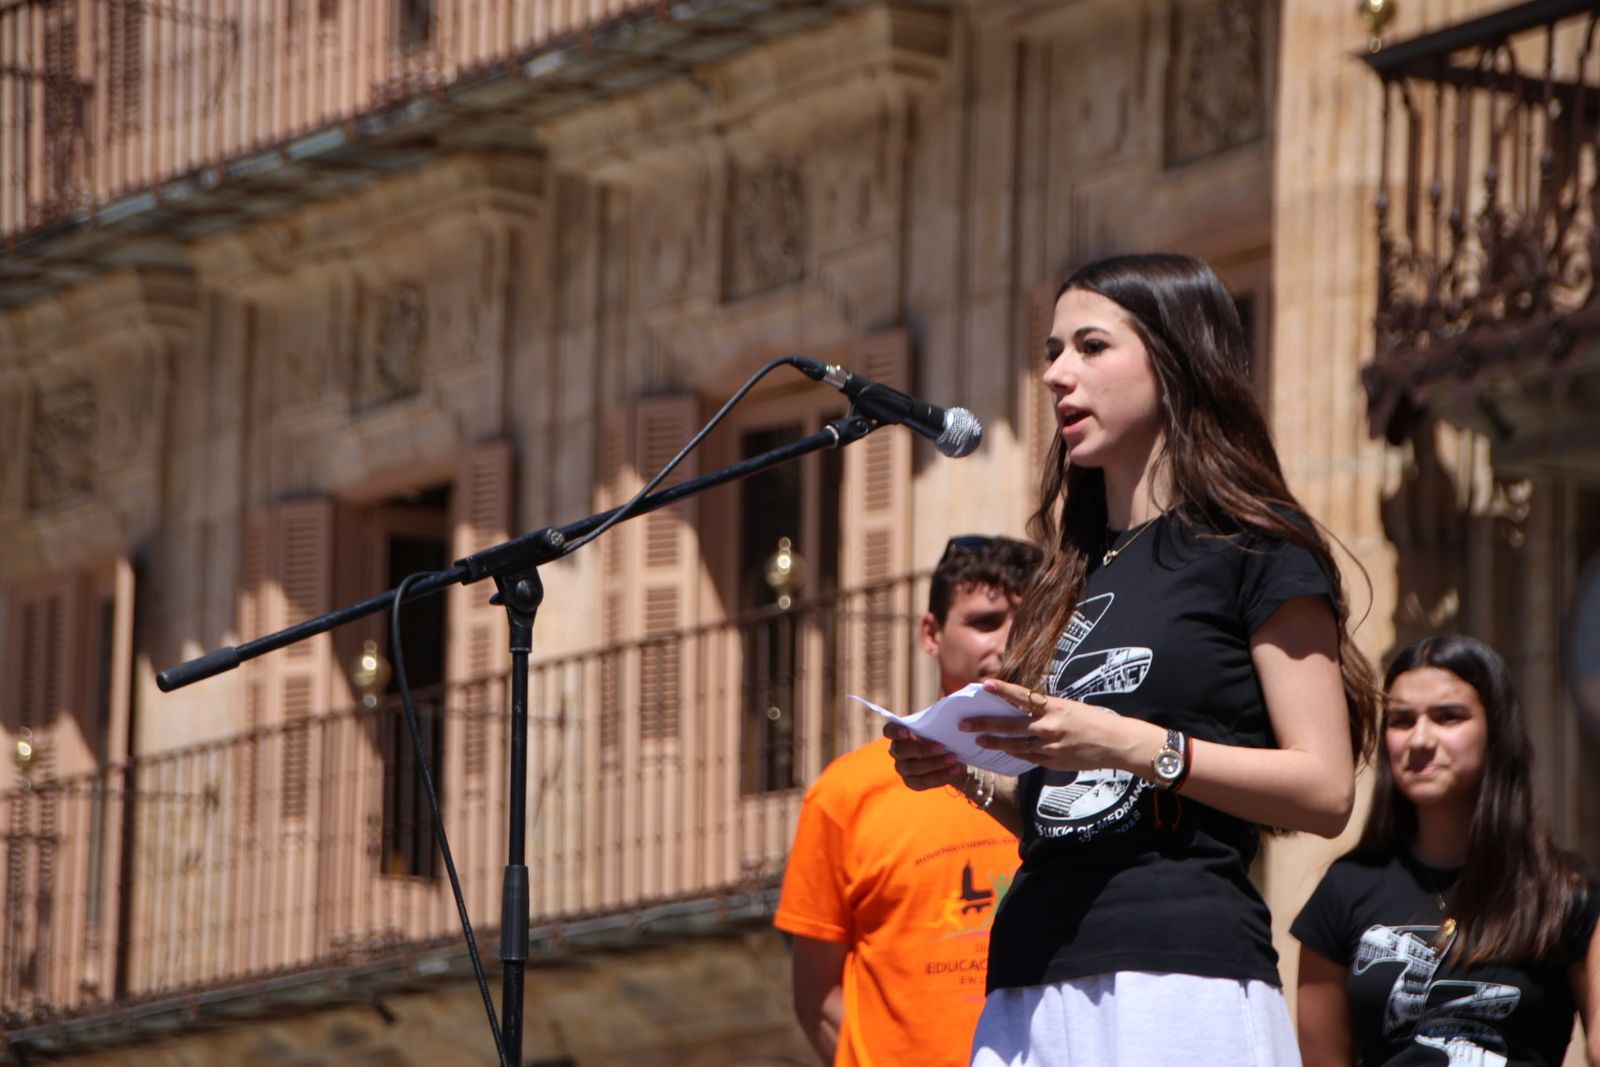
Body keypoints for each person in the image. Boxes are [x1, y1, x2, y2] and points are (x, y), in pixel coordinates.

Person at [884, 251, 1380, 1065]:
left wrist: (1122, 740)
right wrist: (966, 770)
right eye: (1051, 352)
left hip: (1178, 975)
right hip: (1028, 982)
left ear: (1176, 359)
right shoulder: (1065, 575)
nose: (1056, 375)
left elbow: (1325, 789)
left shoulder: (1254, 550)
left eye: (1089, 346)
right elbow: (1069, 807)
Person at [774, 534, 1043, 1067]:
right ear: (931, 633)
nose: (1008, 641)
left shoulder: (1078, 774)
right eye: (985, 621)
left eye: (1026, 622)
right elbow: (817, 997)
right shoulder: (847, 792)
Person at [1292, 634, 1600, 1066]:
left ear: (1495, 731)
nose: (1420, 739)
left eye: (1448, 717)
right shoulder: (1344, 890)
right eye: (1402, 720)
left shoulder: (1565, 894)